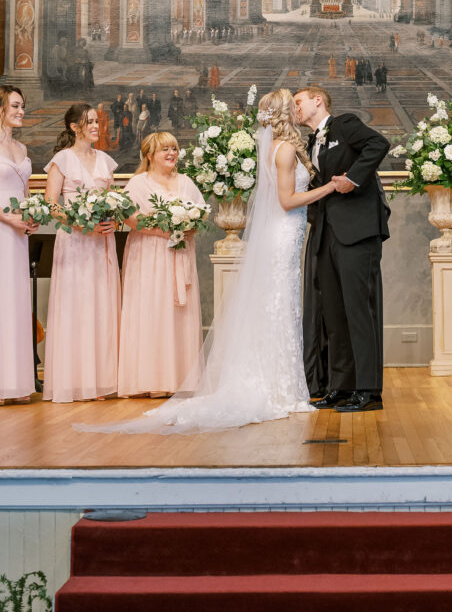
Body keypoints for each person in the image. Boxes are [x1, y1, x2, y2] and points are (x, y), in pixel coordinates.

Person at [79, 89, 340, 434]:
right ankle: (280, 388)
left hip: (284, 235)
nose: (298, 108)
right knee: (281, 304)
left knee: (280, 305)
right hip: (284, 233)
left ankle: (281, 383)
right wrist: (331, 188)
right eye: (294, 105)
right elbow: (288, 200)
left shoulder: (274, 147)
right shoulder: (287, 148)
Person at [294, 84, 390, 412]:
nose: (295, 108)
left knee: (358, 311)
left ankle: (368, 390)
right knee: (333, 314)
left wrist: (354, 177)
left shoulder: (345, 124)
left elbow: (379, 144)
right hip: (326, 233)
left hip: (357, 232)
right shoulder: (310, 141)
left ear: (317, 101)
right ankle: (341, 386)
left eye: (299, 101)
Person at [117, 132, 205, 398]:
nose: (171, 153)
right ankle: (150, 379)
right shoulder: (138, 183)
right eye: (165, 149)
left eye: (174, 149)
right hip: (148, 256)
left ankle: (180, 379)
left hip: (179, 255)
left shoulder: (186, 182)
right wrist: (165, 231)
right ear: (149, 155)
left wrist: (187, 227)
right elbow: (130, 218)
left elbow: (199, 215)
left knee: (178, 314)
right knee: (152, 311)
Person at [44, 104, 120, 402]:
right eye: (89, 122)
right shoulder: (61, 160)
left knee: (101, 304)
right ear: (75, 127)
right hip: (75, 242)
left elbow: (114, 200)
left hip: (102, 243)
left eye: (96, 121)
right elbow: (51, 204)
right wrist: (80, 222)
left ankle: (101, 381)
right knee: (77, 306)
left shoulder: (105, 161)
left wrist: (112, 219)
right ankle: (75, 381)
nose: (95, 126)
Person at [0, 86, 38, 404]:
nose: (21, 111)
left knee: (14, 301)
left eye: (23, 106)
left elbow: (23, 193)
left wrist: (30, 216)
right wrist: (7, 218)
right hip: (1, 229)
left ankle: (15, 382)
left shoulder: (22, 148)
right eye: (15, 105)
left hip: (17, 236)